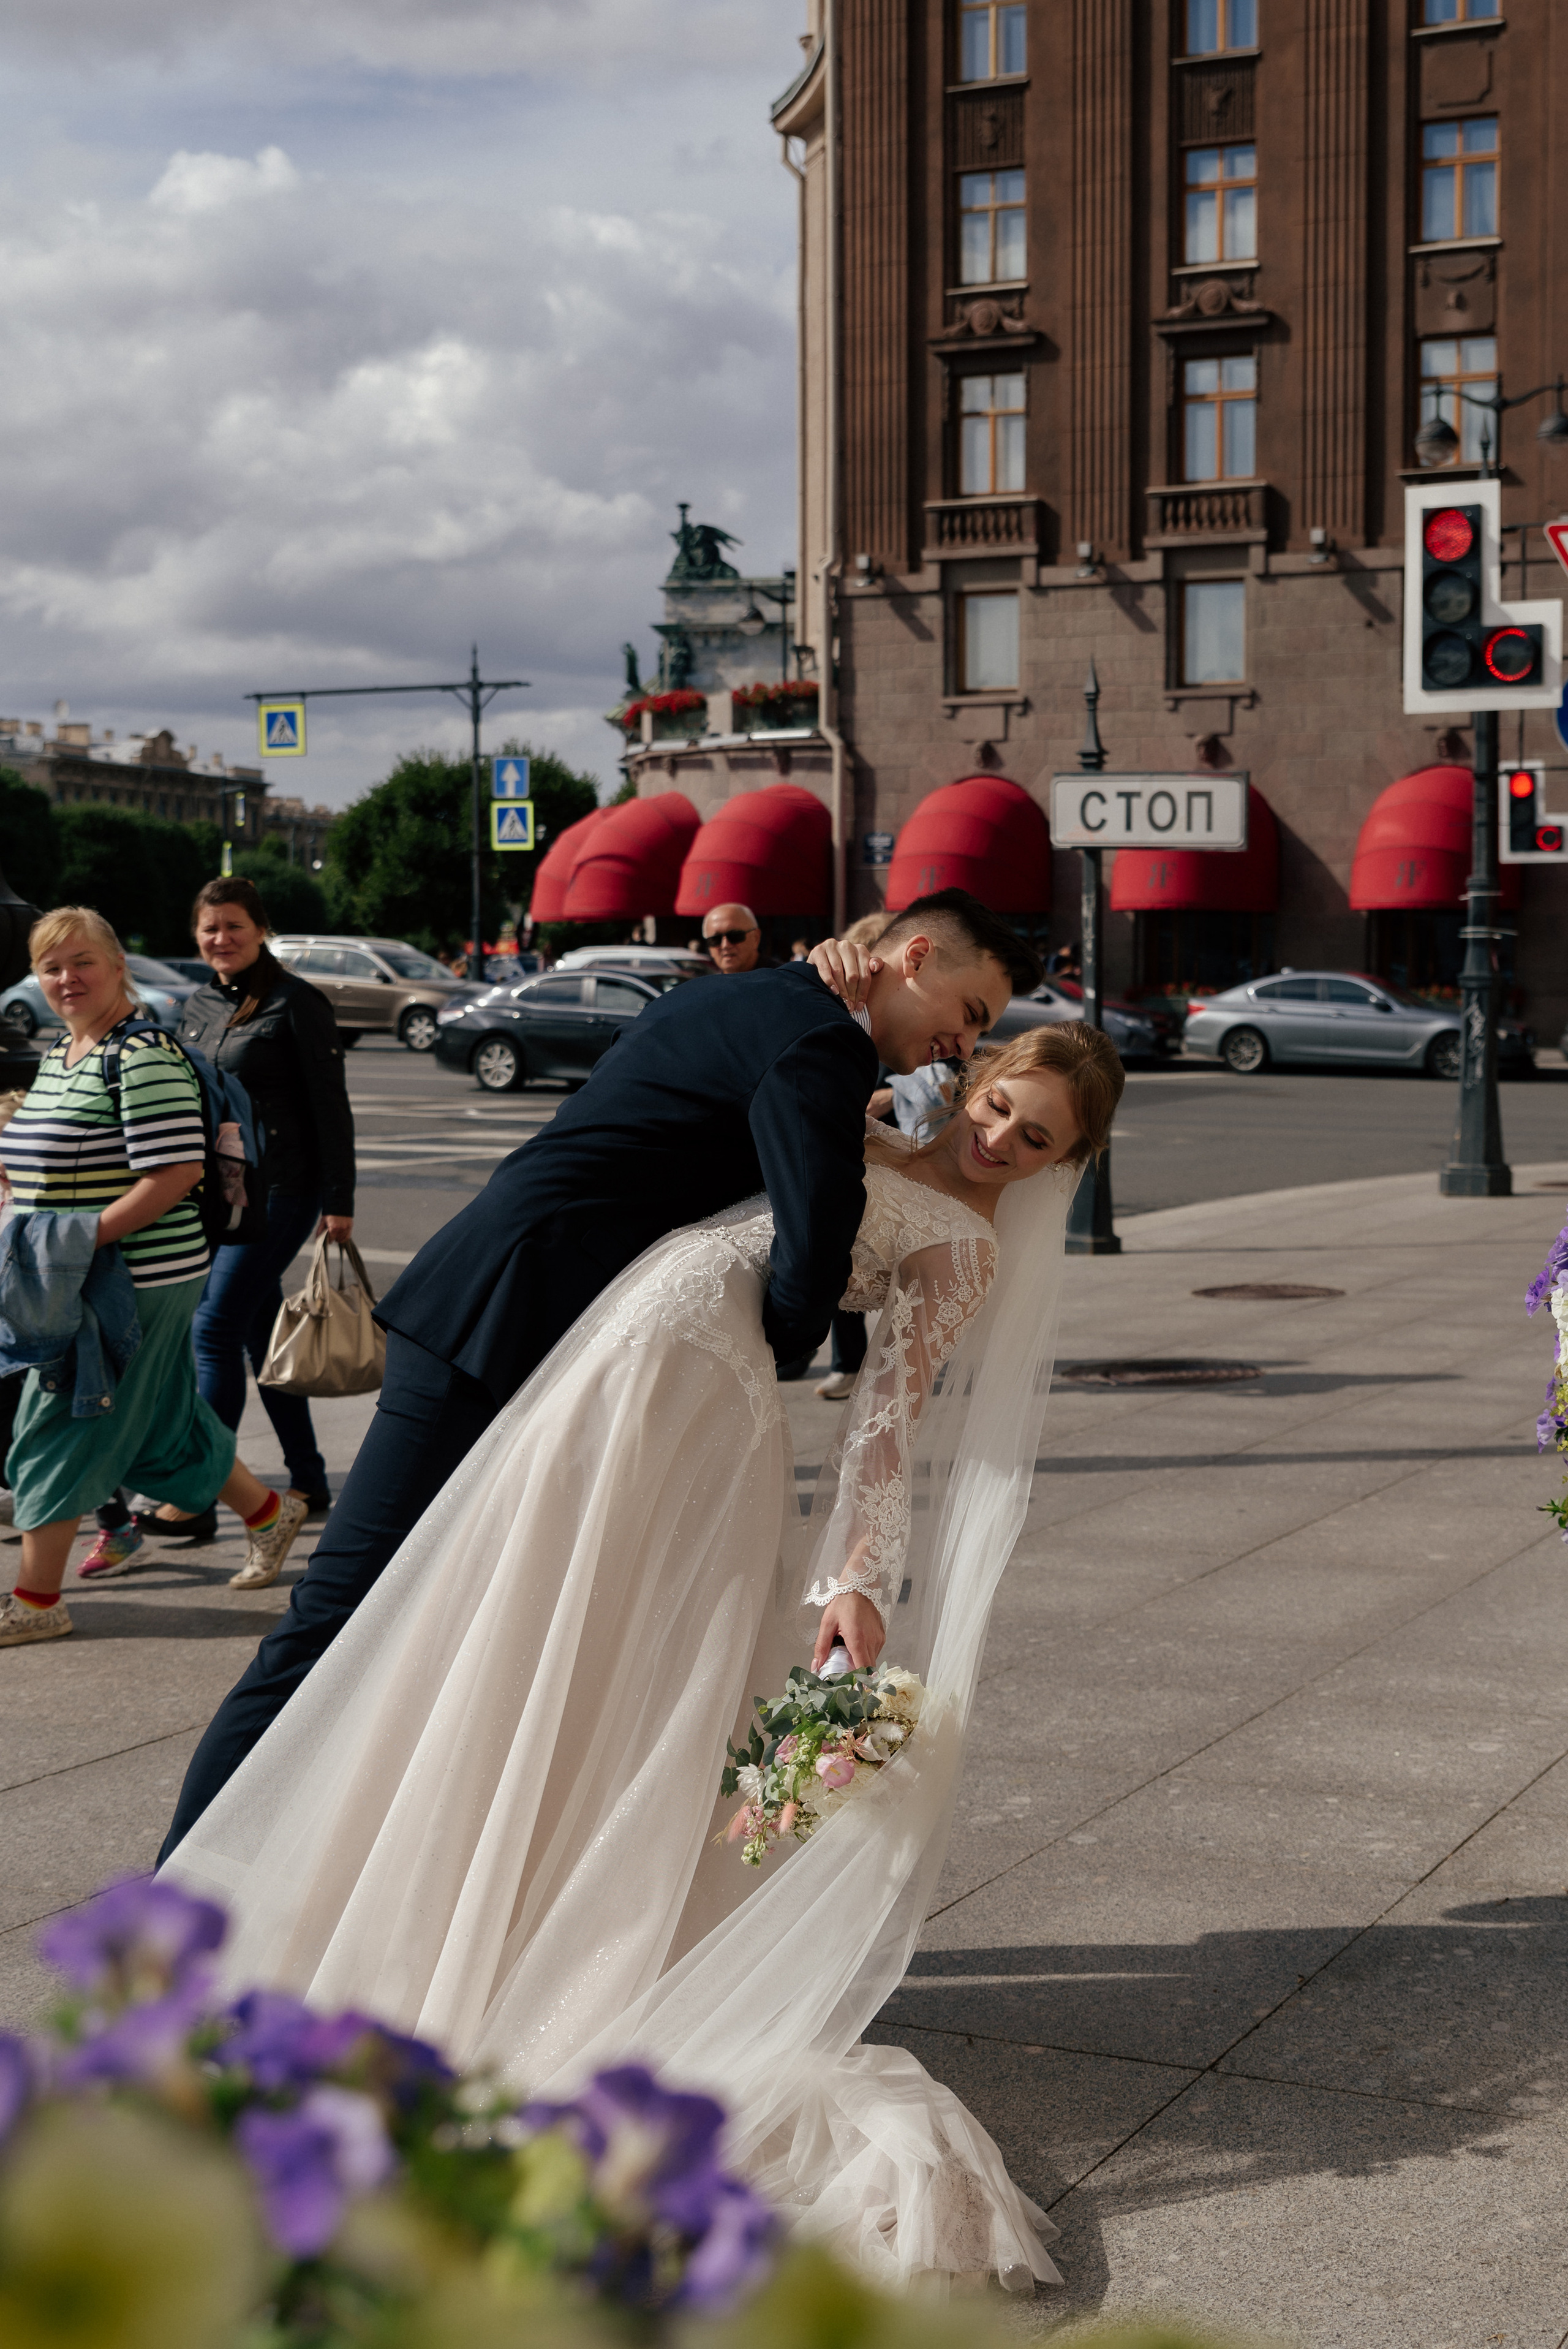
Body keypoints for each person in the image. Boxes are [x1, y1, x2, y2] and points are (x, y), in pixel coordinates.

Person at [164, 1017, 1124, 2294]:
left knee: (622, 1688)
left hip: (692, 1423)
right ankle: (471, 1915)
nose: (1000, 1137)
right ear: (980, 1073)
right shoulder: (862, 1123)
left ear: (1061, 1162)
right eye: (1002, 1103)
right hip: (606, 1374)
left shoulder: (959, 1246)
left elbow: (883, 1420)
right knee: (508, 1652)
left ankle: (547, 1959)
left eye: (1035, 1139)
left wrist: (855, 1580)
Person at [159, 890, 1038, 1852]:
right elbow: (814, 1246)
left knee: (437, 1622)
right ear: (916, 956)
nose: (964, 1040)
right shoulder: (817, 1038)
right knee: (334, 1618)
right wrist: (777, 1340)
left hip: (524, 1314)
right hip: (504, 1321)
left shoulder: (741, 999)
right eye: (974, 1012)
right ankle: (176, 1894)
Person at [0, 911, 308, 1647]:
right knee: (160, 1425)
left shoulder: (140, 1056)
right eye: (51, 967)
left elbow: (175, 1174)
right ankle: (271, 1512)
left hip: (127, 1275)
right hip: (76, 1271)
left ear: (117, 964)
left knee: (58, 1422)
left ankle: (39, 1603)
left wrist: (72, 1242)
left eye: (82, 963)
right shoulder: (63, 1051)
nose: (66, 980)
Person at [107, 877, 353, 1558]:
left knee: (211, 1327)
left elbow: (330, 1108)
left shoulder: (297, 1004)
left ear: (261, 930)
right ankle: (308, 1478)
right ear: (197, 936)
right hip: (225, 1196)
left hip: (286, 1192)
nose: (222, 939)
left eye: (235, 927)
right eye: (211, 929)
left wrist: (340, 1201)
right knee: (258, 1335)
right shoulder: (197, 1005)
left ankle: (195, 1497)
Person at [701, 902, 774, 974]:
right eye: (715, 940)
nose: (725, 946)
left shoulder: (781, 981)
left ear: (756, 938)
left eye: (735, 936)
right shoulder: (708, 984)